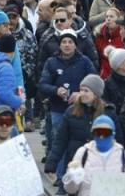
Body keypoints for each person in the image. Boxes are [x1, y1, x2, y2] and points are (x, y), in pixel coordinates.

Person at [40, 29, 97, 177]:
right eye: (64, 42)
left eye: (70, 42)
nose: (67, 45)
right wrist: (56, 90)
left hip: (81, 110)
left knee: (79, 144)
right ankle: (60, 177)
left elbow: (95, 82)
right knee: (59, 143)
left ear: (75, 45)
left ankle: (80, 175)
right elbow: (43, 84)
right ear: (59, 45)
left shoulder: (85, 61)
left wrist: (81, 93)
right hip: (58, 109)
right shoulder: (51, 62)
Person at [46, 74, 113, 189]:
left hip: (99, 166)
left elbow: (118, 140)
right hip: (75, 164)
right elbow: (60, 141)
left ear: (96, 94)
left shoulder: (108, 113)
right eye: (81, 90)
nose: (82, 93)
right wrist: (51, 164)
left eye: (86, 91)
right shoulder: (71, 112)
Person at [62, 115, 125, 196]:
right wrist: (72, 175)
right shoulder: (83, 153)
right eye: (98, 132)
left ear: (113, 133)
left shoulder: (124, 156)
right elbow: (70, 190)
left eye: (106, 132)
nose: (101, 136)